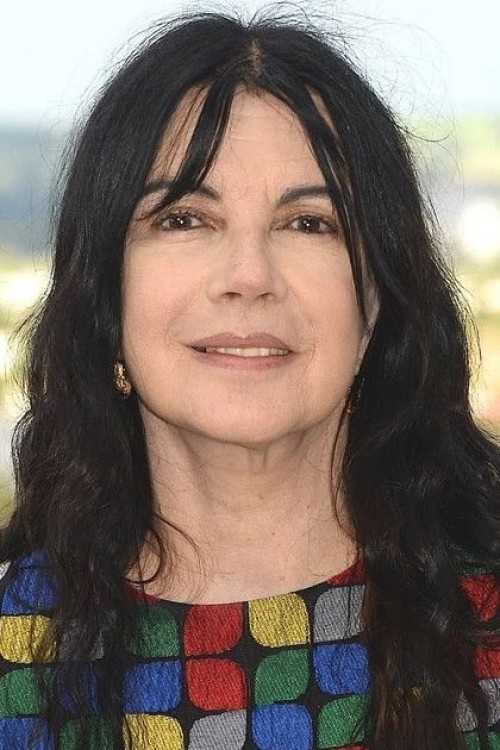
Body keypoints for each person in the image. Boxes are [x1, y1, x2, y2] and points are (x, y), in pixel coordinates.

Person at [0, 10, 498, 750]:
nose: (249, 276)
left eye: (309, 224)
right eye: (184, 219)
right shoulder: (14, 654)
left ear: (376, 304)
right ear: (106, 293)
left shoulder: (485, 627)